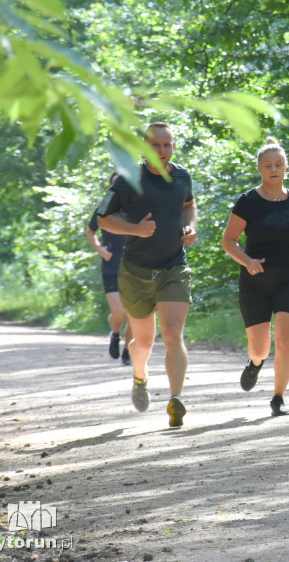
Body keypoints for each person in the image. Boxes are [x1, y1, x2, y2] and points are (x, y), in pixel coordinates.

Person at [95, 122, 198, 428]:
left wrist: (191, 227)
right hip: (136, 272)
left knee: (173, 333)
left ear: (174, 147)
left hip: (173, 266)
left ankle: (175, 398)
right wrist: (134, 229)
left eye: (167, 145)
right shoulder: (128, 179)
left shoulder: (182, 176)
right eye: (155, 145)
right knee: (144, 341)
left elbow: (189, 207)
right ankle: (140, 377)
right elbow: (103, 219)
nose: (162, 151)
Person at [222, 137, 289, 417]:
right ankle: (255, 362)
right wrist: (247, 261)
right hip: (255, 283)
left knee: (285, 340)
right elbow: (229, 241)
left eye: (278, 164)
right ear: (260, 169)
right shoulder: (248, 202)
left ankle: (278, 397)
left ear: (285, 168)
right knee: (261, 347)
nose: (273, 169)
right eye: (268, 165)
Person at [86, 174, 134, 365]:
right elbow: (90, 232)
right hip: (111, 264)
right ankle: (115, 334)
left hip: (133, 265)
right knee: (119, 311)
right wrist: (99, 250)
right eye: (115, 183)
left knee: (133, 314)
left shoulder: (134, 208)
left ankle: (128, 350)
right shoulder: (104, 208)